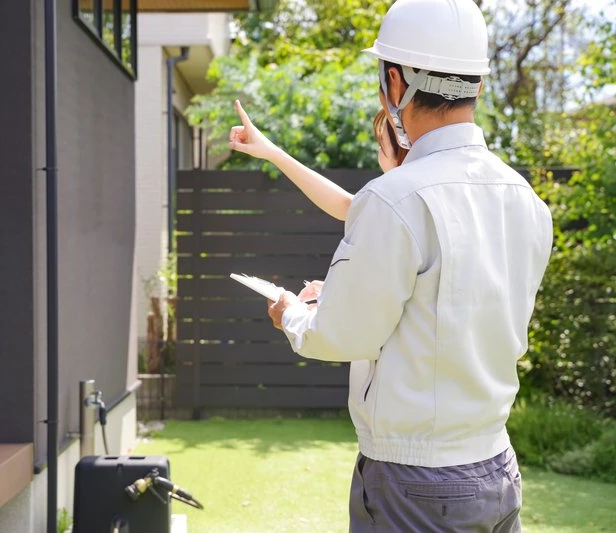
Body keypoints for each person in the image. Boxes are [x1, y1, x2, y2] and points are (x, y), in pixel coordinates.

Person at [227, 0, 554, 531]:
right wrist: (274, 153)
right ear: (476, 83)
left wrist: (293, 313)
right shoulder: (525, 200)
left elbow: (339, 337)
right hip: (498, 471)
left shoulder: (397, 199)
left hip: (415, 484)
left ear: (396, 83)